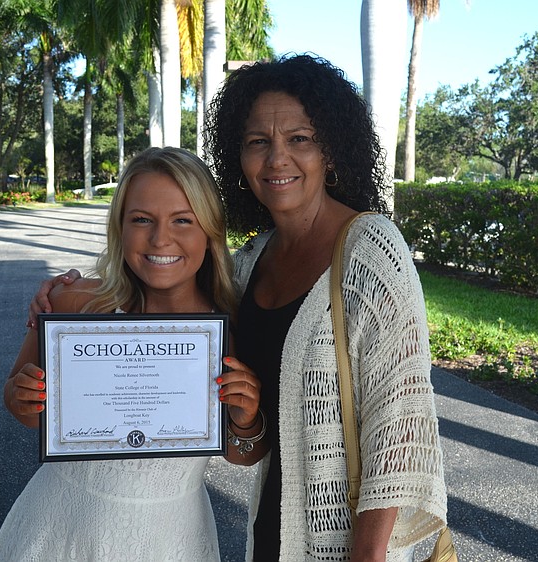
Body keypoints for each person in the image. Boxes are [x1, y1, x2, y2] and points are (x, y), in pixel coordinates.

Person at [30, 55, 447, 562]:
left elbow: (398, 419)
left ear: (331, 151)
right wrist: (71, 294)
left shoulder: (371, 251)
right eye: (257, 142)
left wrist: (369, 554)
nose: (277, 159)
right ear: (239, 158)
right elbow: (164, 288)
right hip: (274, 528)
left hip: (347, 543)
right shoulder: (251, 261)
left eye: (300, 139)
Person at [0, 147, 263, 561]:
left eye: (182, 220)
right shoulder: (74, 305)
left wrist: (246, 419)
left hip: (172, 536)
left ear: (210, 232)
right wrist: (22, 397)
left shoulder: (232, 329)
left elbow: (244, 456)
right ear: (119, 227)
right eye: (141, 219)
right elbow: (23, 408)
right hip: (60, 525)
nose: (160, 239)